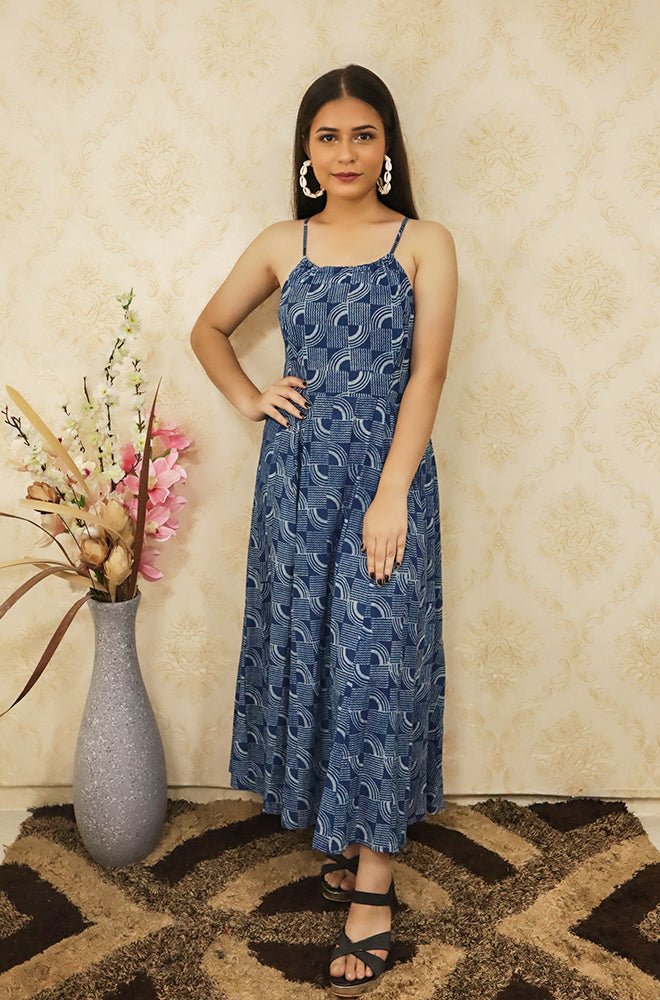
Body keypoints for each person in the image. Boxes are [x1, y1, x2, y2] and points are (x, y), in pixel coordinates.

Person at [190, 63, 457, 997]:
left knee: (378, 663)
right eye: (328, 137)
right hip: (298, 483)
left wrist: (392, 495)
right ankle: (346, 836)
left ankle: (374, 887)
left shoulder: (425, 242)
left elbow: (426, 376)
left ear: (388, 146)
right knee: (317, 654)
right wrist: (251, 397)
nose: (347, 153)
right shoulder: (283, 242)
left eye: (364, 135)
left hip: (387, 478)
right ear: (306, 151)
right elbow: (210, 331)